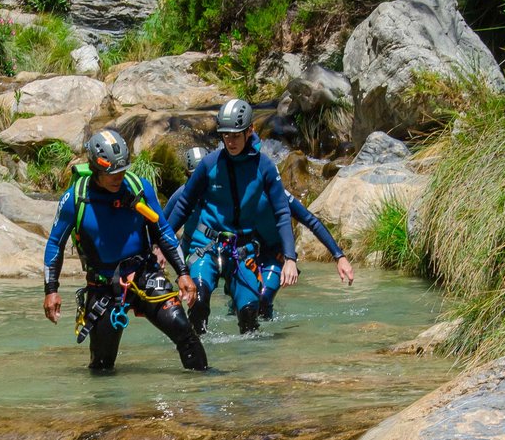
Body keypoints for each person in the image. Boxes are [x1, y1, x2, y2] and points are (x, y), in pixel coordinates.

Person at [43, 130, 206, 372]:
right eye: (112, 173)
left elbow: (163, 231)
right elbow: (55, 243)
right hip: (103, 285)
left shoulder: (139, 188)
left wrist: (182, 272)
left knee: (184, 330)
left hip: (144, 274)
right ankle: (105, 410)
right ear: (95, 169)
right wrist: (51, 290)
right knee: (102, 365)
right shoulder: (74, 199)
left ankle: (205, 391)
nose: (118, 177)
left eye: (122, 170)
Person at [163, 99, 298, 335]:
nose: (230, 141)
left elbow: (282, 212)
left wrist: (290, 257)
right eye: (225, 135)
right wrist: (159, 244)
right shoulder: (208, 164)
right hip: (205, 245)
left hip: (242, 249)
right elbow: (184, 205)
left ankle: (245, 370)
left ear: (250, 131)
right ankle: (197, 357)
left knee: (249, 318)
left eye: (236, 135)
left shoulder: (265, 167)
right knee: (199, 298)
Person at [176, 146, 355, 322]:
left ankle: (266, 342)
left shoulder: (277, 195)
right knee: (240, 307)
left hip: (273, 255)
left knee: (262, 303)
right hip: (244, 252)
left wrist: (339, 256)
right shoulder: (232, 193)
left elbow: (311, 221)